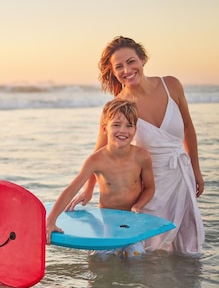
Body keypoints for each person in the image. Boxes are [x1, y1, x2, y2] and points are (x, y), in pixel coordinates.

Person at [70, 36, 205, 257]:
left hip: (182, 176)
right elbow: (100, 152)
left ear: (142, 59)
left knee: (184, 250)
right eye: (119, 66)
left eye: (131, 61)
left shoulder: (171, 85)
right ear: (113, 72)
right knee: (147, 248)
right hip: (149, 187)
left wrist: (196, 171)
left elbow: (188, 128)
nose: (127, 70)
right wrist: (88, 188)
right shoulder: (116, 107)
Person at [45, 99, 155, 258]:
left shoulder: (142, 157)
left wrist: (138, 206)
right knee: (100, 262)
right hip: (107, 221)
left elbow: (150, 187)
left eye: (129, 125)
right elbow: (70, 190)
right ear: (105, 128)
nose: (123, 130)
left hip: (132, 223)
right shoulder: (95, 160)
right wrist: (51, 221)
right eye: (116, 125)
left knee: (136, 259)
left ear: (135, 129)